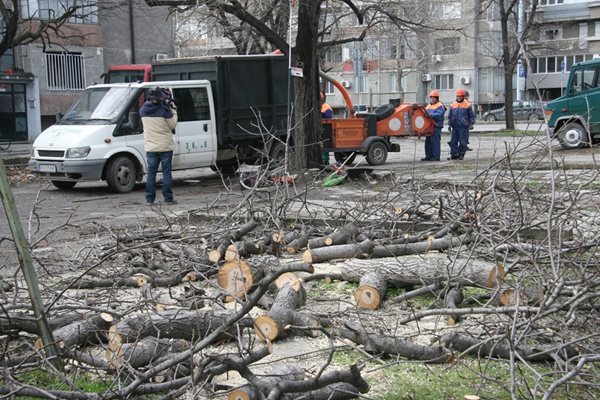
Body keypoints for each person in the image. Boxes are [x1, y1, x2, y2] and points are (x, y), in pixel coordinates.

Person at [140, 87, 178, 205]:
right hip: (165, 147)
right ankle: (168, 198)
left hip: (151, 147)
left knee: (151, 174)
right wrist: (174, 110)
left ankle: (149, 199)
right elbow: (172, 125)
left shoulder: (143, 110)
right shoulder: (164, 110)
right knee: (166, 173)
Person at [447, 88, 475, 160]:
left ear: (463, 96)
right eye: (457, 96)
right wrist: (449, 125)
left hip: (463, 127)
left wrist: (471, 124)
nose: (459, 98)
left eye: (460, 96)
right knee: (453, 142)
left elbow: (472, 116)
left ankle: (461, 154)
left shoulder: (467, 105)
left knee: (463, 142)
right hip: (455, 126)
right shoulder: (453, 104)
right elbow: (450, 116)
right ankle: (453, 155)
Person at [422, 90, 445, 161]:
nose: (432, 99)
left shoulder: (440, 106)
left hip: (436, 126)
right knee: (428, 142)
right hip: (429, 127)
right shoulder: (428, 106)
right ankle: (428, 156)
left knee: (435, 142)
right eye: (431, 97)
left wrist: (428, 115)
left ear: (437, 98)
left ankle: (436, 157)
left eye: (433, 98)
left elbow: (438, 115)